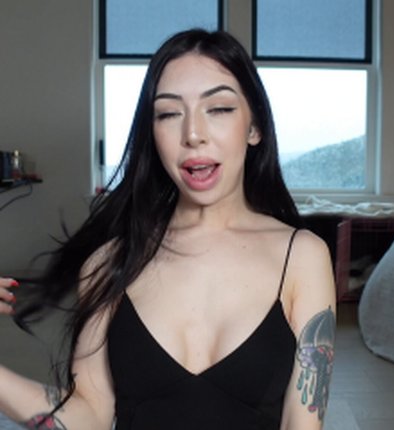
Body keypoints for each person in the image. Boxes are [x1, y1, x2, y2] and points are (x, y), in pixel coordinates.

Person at [0, 29, 336, 430]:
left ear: (254, 127)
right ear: (152, 133)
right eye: (168, 113)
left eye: (219, 108)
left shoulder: (302, 257)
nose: (192, 134)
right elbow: (87, 416)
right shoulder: (108, 264)